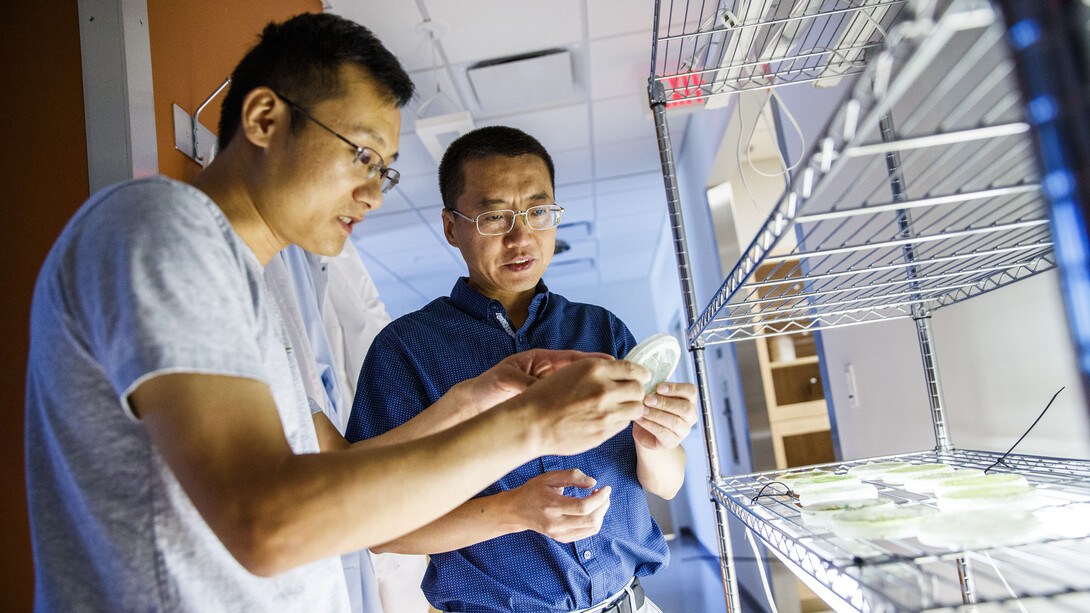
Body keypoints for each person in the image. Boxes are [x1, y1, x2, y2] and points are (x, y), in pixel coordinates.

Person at [24, 15, 651, 612]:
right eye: (362, 156)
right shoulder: (164, 229)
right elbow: (265, 523)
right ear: (265, 119)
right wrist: (533, 427)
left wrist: (480, 396)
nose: (376, 193)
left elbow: (337, 469)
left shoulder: (260, 290)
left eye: (386, 170)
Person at [346, 126, 699, 613]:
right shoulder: (406, 351)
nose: (521, 237)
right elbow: (378, 530)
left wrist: (654, 441)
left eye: (538, 211)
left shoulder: (600, 331)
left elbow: (666, 482)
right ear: (452, 227)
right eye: (494, 216)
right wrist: (515, 513)